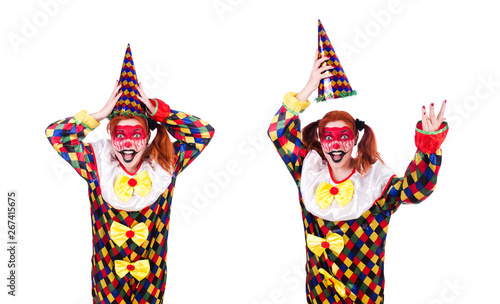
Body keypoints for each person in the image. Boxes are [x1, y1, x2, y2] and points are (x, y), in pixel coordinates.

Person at [267, 51, 448, 303]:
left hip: (363, 296)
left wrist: (428, 145)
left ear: (354, 139)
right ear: (320, 140)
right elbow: (279, 132)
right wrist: (309, 87)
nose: (336, 144)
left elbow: (417, 189)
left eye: (344, 136)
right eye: (328, 137)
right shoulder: (308, 172)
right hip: (318, 295)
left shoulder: (376, 182)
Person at [45, 46, 214, 303]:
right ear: (111, 138)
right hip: (106, 281)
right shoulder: (95, 165)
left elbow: (203, 133)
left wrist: (160, 111)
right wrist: (99, 115)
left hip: (152, 280)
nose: (127, 143)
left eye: (136, 134)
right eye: (119, 135)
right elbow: (56, 135)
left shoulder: (165, 165)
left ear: (146, 138)